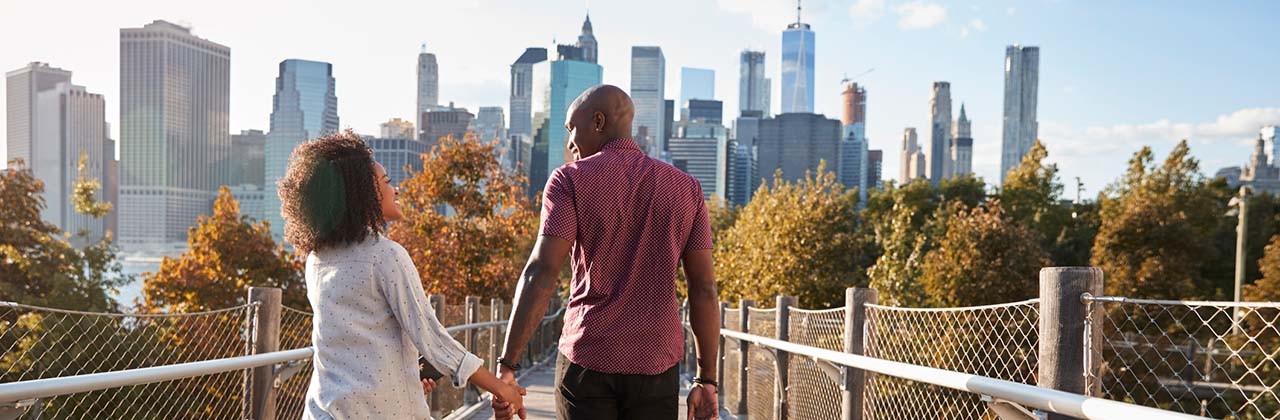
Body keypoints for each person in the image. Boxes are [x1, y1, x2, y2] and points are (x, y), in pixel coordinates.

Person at [492, 85, 721, 420]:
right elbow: (704, 289)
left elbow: (541, 272)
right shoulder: (687, 188)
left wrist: (507, 366)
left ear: (598, 122)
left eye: (572, 129)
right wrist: (707, 379)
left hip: (588, 358)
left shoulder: (569, 180)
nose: (570, 143)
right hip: (656, 362)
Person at [277, 131, 526, 419]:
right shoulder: (384, 255)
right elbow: (434, 340)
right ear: (363, 194)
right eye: (387, 182)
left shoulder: (316, 259)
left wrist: (406, 377)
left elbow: (355, 343)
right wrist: (502, 389)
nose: (396, 190)